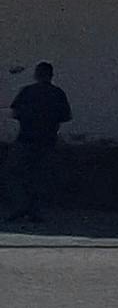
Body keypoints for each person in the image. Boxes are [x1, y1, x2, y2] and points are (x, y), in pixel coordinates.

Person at [7, 63, 63, 223]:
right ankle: (35, 211)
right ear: (51, 75)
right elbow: (64, 116)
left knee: (12, 172)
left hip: (25, 139)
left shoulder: (28, 91)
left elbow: (15, 112)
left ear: (37, 74)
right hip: (47, 141)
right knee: (40, 176)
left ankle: (20, 204)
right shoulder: (57, 93)